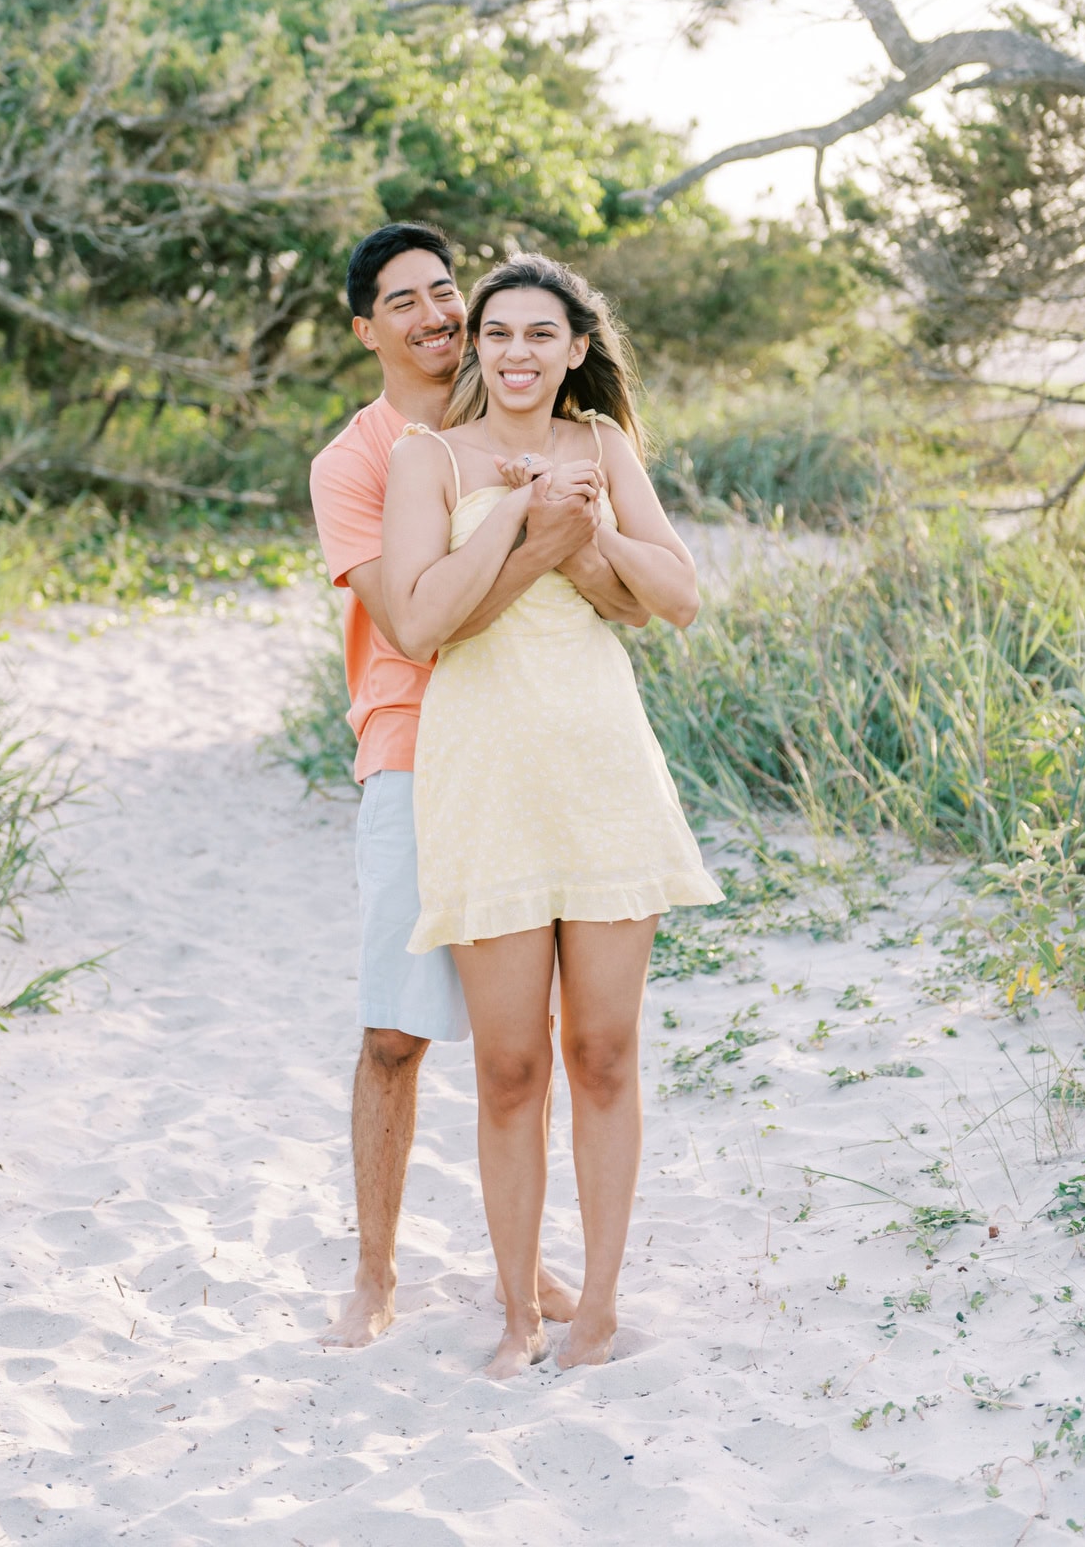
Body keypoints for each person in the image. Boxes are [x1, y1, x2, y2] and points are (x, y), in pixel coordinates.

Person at [381, 252, 724, 1378]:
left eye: (540, 334)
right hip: (482, 773)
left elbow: (674, 595)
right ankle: (521, 1311)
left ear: (576, 347)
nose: (516, 352)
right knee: (511, 1068)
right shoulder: (426, 457)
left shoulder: (601, 446)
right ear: (473, 346)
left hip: (601, 765)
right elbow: (424, 620)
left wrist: (589, 537)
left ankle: (598, 1310)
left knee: (605, 1051)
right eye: (496, 333)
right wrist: (523, 526)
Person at [308, 223, 645, 1348]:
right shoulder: (363, 459)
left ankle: (530, 1260)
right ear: (367, 331)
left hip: (535, 743)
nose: (434, 315)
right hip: (412, 743)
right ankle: (372, 1268)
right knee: (399, 1029)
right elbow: (412, 623)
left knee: (535, 1037)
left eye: (446, 291)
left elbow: (641, 589)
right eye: (403, 302)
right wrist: (540, 534)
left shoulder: (510, 423)